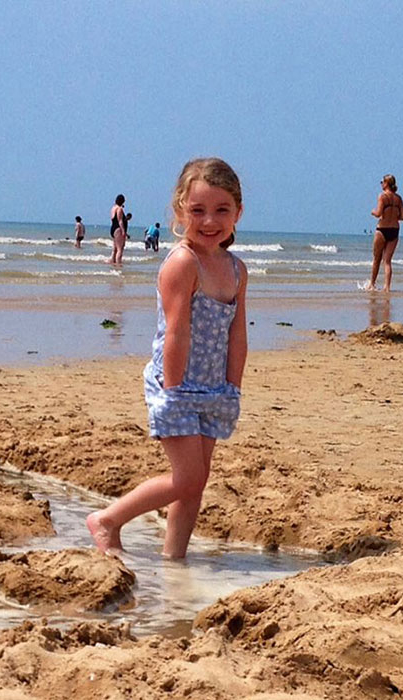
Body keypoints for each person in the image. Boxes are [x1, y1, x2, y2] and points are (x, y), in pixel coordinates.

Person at [86, 157, 249, 559]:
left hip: (213, 387)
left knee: (198, 479)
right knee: (187, 478)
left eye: (221, 210)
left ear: (237, 213)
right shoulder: (182, 263)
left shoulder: (236, 269)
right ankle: (107, 520)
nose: (209, 221)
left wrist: (233, 386)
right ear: (179, 211)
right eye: (197, 211)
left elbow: (238, 333)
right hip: (175, 384)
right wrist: (173, 392)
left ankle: (174, 557)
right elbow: (176, 331)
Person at [365, 174, 403, 292]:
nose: (381, 184)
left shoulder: (382, 197)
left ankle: (372, 284)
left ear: (386, 183)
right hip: (394, 230)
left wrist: (372, 212)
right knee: (387, 261)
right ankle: (387, 287)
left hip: (382, 229)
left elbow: (378, 213)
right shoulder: (398, 198)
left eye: (382, 182)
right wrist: (393, 216)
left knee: (377, 259)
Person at [110, 194, 127, 264]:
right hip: (118, 229)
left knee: (115, 249)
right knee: (120, 249)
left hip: (113, 228)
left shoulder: (113, 208)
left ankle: (113, 262)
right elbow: (120, 221)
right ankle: (118, 264)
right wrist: (123, 231)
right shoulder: (119, 209)